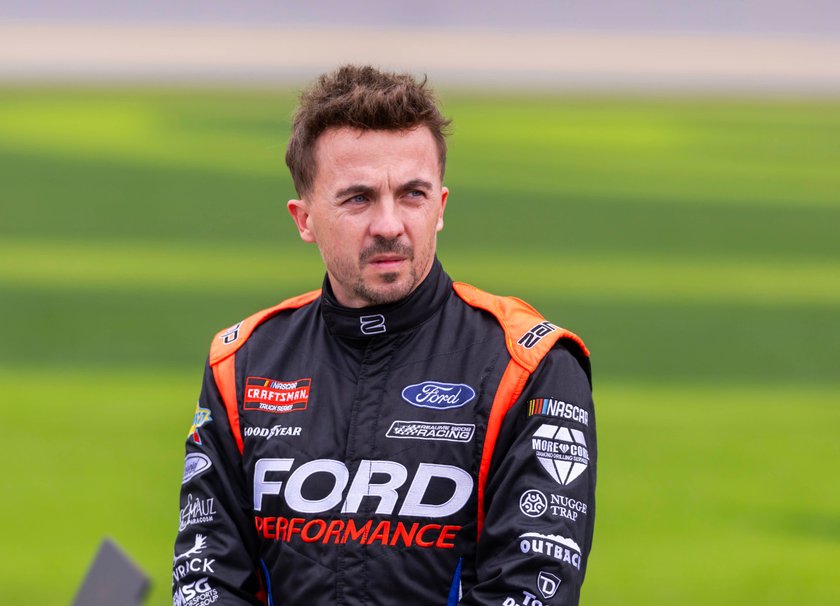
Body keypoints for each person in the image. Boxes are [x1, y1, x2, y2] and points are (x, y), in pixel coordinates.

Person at [173, 65, 596, 606]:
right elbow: (207, 582)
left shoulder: (530, 366)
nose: (390, 226)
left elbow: (531, 587)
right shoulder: (242, 363)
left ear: (440, 208)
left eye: (412, 194)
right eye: (359, 198)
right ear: (304, 219)